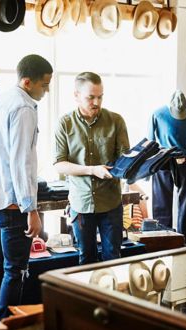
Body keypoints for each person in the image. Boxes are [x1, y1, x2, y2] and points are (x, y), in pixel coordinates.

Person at [0, 54, 52, 319]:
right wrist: (31, 209)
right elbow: (21, 162)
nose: (47, 90)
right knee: (15, 270)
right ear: (28, 82)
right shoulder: (24, 108)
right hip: (11, 203)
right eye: (44, 84)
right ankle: (5, 327)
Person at [53, 72, 130, 264]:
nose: (97, 102)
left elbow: (125, 160)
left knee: (114, 259)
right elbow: (59, 164)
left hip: (111, 203)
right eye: (91, 97)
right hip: (81, 203)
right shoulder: (64, 124)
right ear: (76, 95)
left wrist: (138, 166)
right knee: (85, 259)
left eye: (100, 96)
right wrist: (92, 170)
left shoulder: (116, 121)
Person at [148, 90, 186, 246]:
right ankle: (161, 239)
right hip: (162, 162)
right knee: (161, 203)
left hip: (184, 161)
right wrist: (147, 170)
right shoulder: (158, 114)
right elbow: (149, 144)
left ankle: (185, 241)